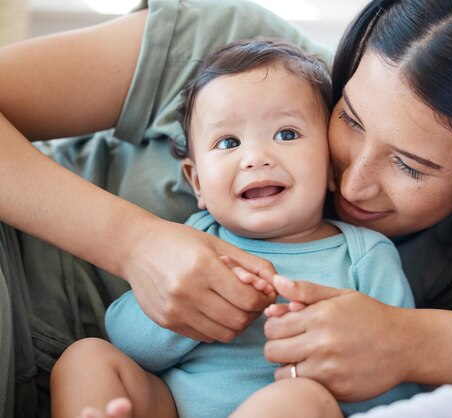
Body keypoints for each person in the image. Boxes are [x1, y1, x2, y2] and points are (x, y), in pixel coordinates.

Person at [1, 0, 452, 417]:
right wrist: (132, 242)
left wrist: (418, 341)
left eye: (410, 166)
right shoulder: (241, 66)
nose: (352, 182)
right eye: (348, 120)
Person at [50, 39, 418, 418]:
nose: (256, 158)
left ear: (330, 166)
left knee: (297, 399)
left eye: (287, 134)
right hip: (175, 407)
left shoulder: (363, 256)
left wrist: (322, 359)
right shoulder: (195, 240)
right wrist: (195, 311)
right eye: (228, 142)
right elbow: (129, 343)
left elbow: (398, 384)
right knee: (87, 357)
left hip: (298, 406)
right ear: (196, 183)